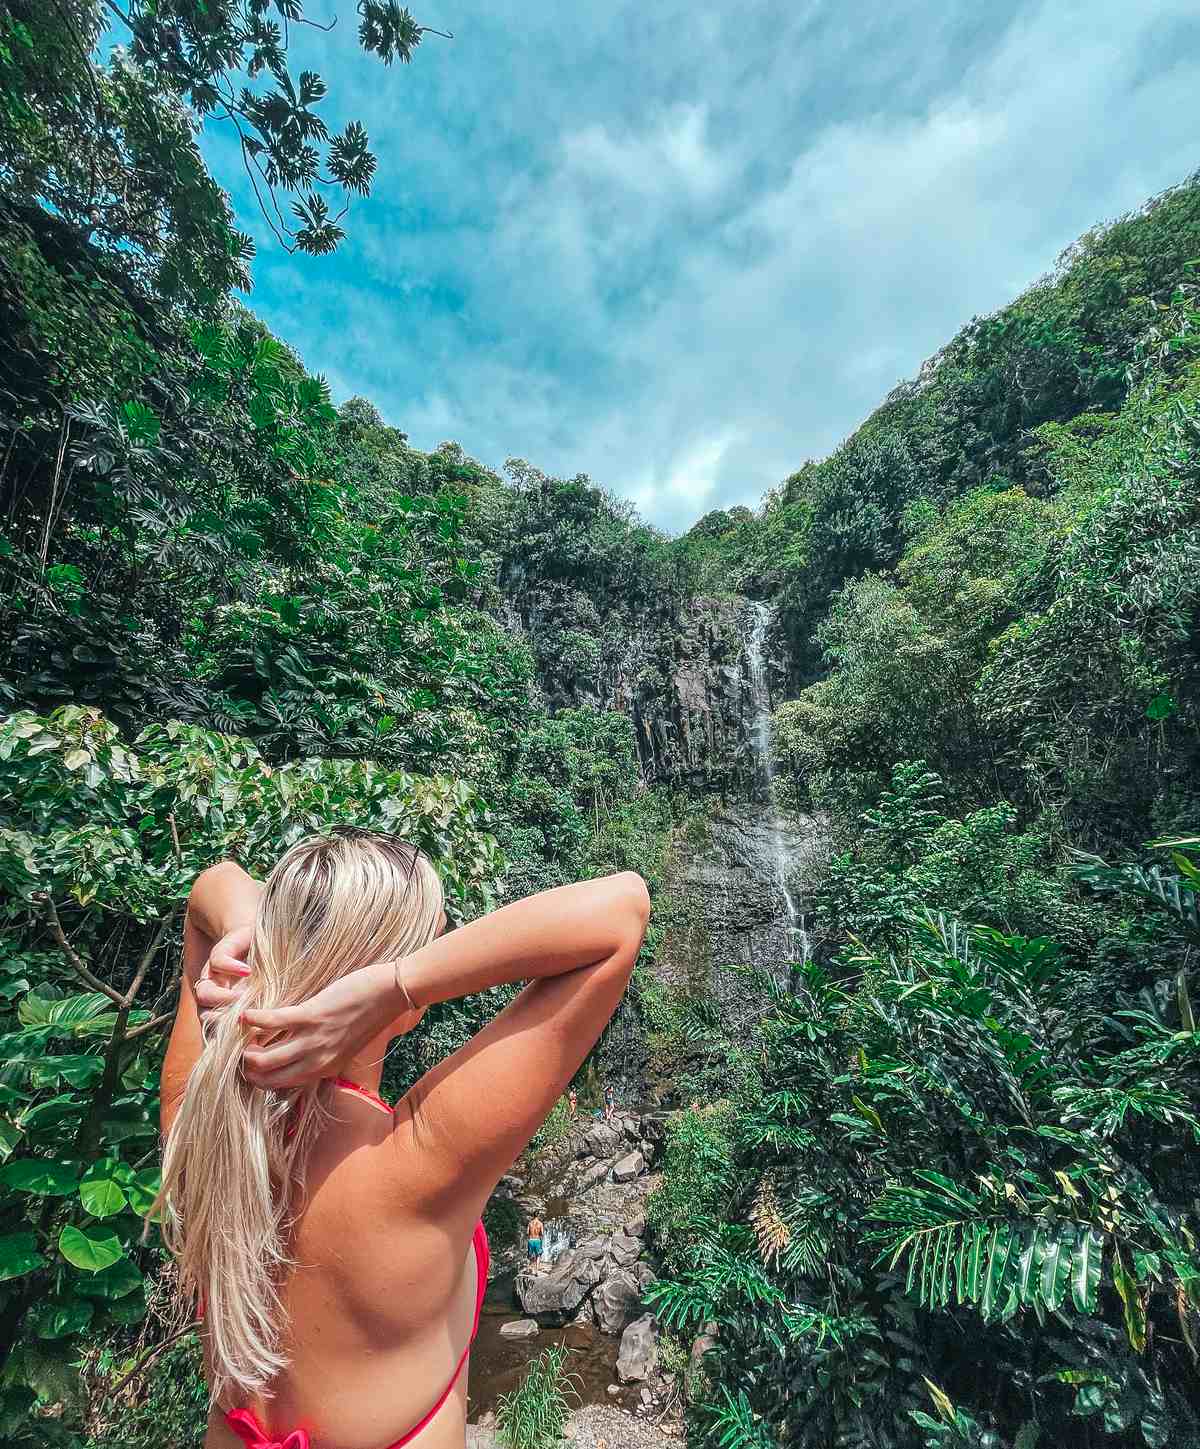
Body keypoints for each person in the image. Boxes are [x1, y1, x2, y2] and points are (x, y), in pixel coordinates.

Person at [158, 828, 649, 1449]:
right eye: (433, 940)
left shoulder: (200, 1129)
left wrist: (257, 929)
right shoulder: (418, 1160)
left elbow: (209, 889)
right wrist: (398, 982)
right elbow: (621, 910)